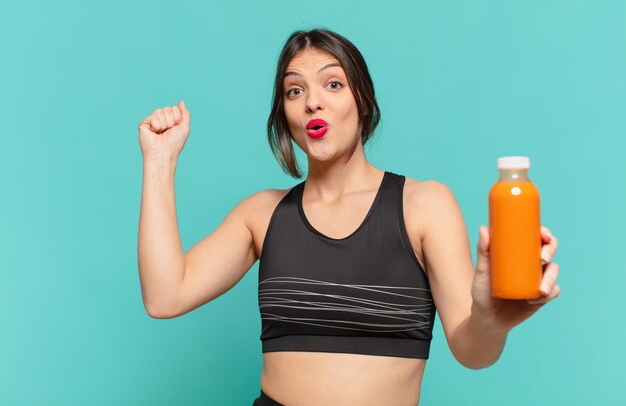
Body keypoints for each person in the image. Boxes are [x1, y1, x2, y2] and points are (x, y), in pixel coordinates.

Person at [137, 28, 561, 406]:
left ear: (362, 99)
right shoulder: (261, 214)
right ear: (284, 116)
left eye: (332, 84)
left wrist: (489, 320)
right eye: (294, 91)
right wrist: (159, 160)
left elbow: (473, 353)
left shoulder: (424, 205)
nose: (312, 102)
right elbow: (164, 296)